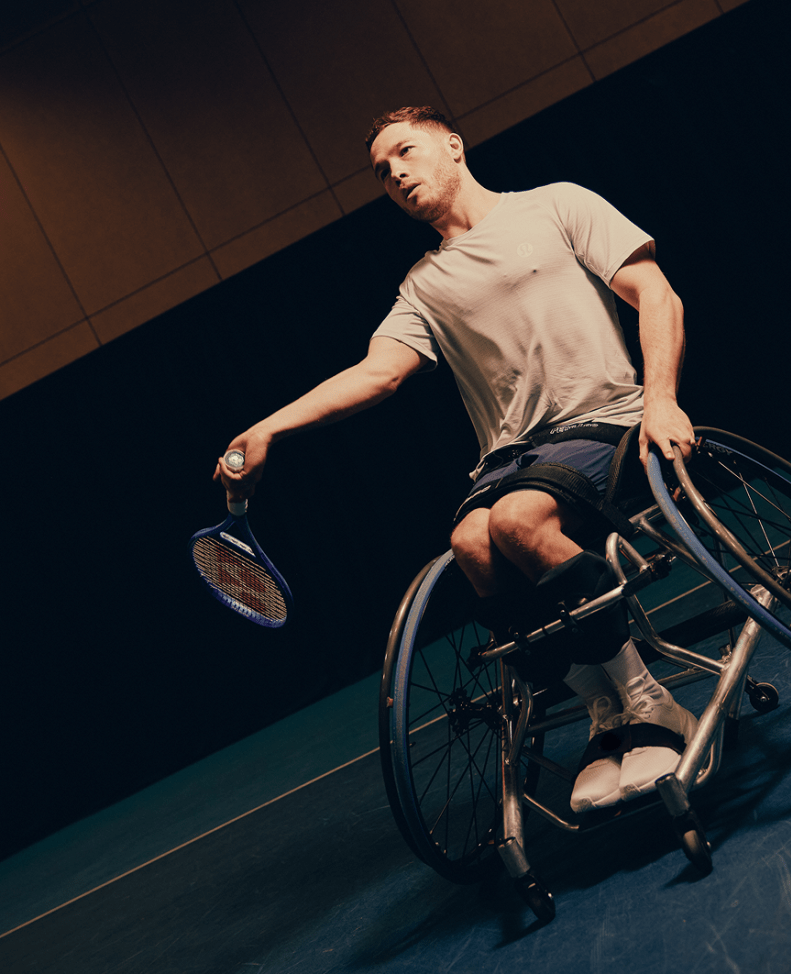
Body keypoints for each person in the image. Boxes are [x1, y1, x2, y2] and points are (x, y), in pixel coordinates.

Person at [215, 106, 698, 813]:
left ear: (452, 145)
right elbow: (377, 374)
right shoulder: (422, 285)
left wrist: (662, 399)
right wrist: (267, 428)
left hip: (606, 422)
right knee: (472, 539)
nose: (396, 174)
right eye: (383, 173)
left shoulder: (555, 204)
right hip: (510, 457)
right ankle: (606, 716)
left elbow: (655, 291)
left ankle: (654, 705)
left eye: (405, 153)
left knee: (518, 523)